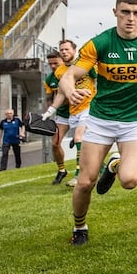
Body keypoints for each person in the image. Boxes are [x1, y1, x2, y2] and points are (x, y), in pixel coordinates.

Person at [58, 0, 137, 246]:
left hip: (136, 120)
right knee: (85, 182)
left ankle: (114, 166)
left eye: (136, 13)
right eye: (125, 12)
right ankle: (80, 226)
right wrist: (70, 91)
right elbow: (69, 75)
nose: (130, 18)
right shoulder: (99, 43)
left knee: (130, 180)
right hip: (101, 119)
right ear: (115, 12)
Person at [43, 39, 97, 188]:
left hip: (89, 106)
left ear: (74, 50)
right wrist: (50, 111)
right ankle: (101, 167)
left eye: (67, 49)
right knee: (58, 142)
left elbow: (99, 80)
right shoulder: (59, 72)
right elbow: (61, 93)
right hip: (72, 111)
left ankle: (79, 176)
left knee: (79, 138)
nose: (64, 52)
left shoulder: (85, 64)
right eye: (62, 50)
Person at [41, 49, 72, 184]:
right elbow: (49, 98)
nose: (53, 66)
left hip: (81, 111)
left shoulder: (72, 72)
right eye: (50, 64)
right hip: (63, 115)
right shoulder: (49, 79)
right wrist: (47, 113)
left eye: (56, 63)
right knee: (55, 143)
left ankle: (98, 167)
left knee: (85, 142)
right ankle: (61, 170)